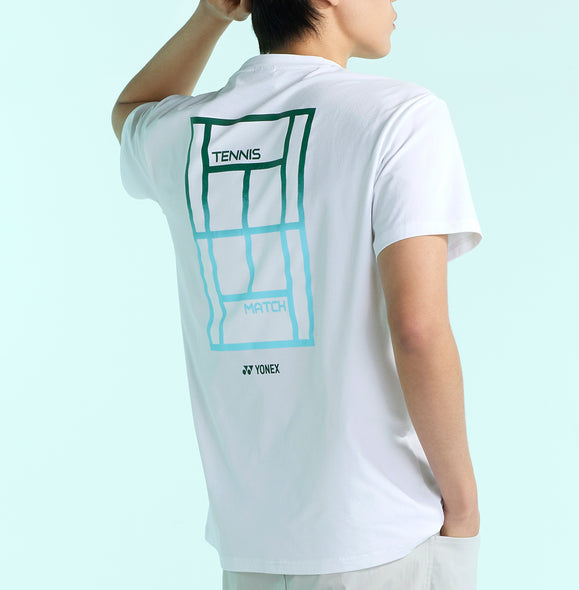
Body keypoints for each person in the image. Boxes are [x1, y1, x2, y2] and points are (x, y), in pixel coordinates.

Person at [111, 1, 484, 588]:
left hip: (251, 548)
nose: (395, 3)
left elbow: (131, 109)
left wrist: (211, 15)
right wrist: (463, 510)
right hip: (380, 535)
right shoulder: (401, 116)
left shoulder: (184, 132)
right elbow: (418, 329)